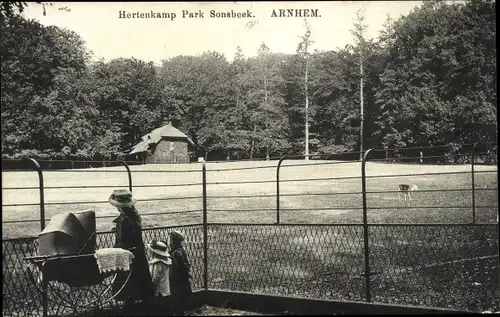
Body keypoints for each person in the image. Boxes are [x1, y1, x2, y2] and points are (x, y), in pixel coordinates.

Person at [109, 189, 154, 316]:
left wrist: (115, 250)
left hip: (128, 255)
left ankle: (130, 308)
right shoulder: (133, 217)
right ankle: (143, 307)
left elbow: (123, 241)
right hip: (138, 254)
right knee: (140, 281)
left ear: (119, 207)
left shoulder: (124, 221)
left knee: (128, 282)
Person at [168, 231, 193, 316]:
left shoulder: (175, 253)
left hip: (176, 280)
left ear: (173, 241)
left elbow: (177, 268)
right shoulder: (181, 250)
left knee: (177, 299)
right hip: (182, 280)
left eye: (170, 240)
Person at [148, 240, 172, 315]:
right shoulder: (166, 261)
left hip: (159, 291)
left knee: (158, 309)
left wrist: (152, 286)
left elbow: (155, 277)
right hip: (165, 289)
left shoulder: (158, 264)